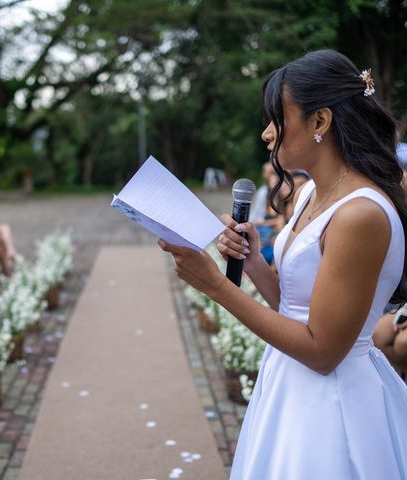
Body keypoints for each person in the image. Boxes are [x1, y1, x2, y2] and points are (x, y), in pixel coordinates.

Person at [159, 50, 407, 478]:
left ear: (320, 122)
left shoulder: (359, 214)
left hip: (332, 402)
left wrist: (217, 287)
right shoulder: (313, 193)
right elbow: (296, 307)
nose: (266, 134)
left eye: (277, 117)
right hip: (288, 384)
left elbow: (323, 351)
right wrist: (254, 262)